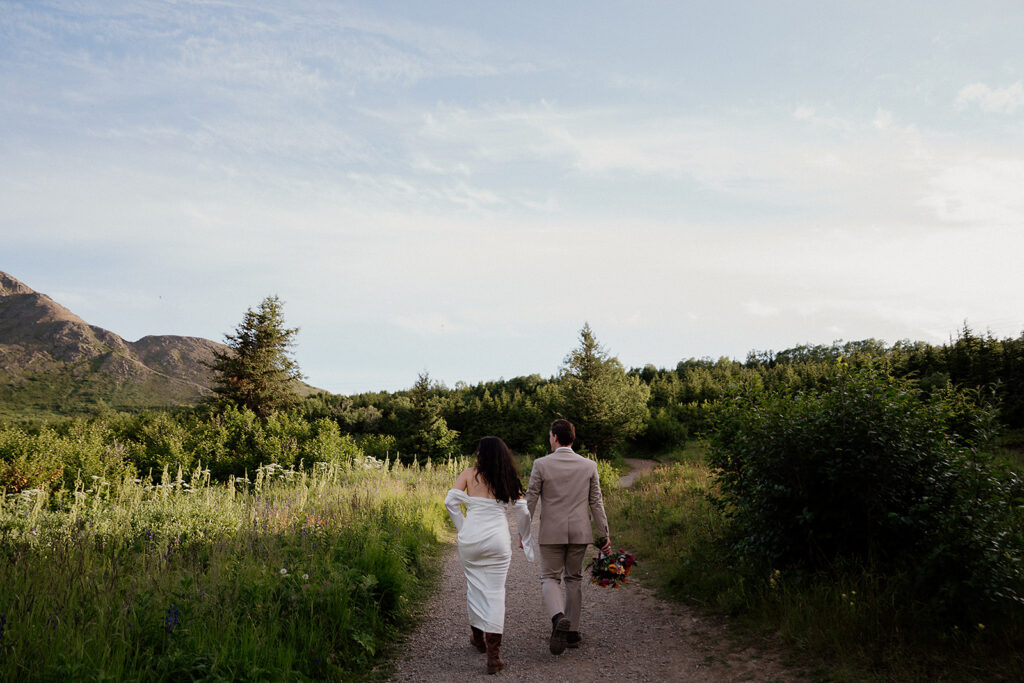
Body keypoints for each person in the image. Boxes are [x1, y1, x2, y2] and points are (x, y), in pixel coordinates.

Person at [445, 436, 534, 675]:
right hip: (497, 540)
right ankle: (493, 656)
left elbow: (450, 502)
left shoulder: (469, 474)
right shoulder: (506, 476)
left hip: (471, 538)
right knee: (495, 593)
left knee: (474, 587)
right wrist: (524, 537)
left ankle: (477, 637)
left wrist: (463, 527)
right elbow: (523, 510)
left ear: (480, 454)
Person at [526, 418, 611, 655]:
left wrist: (523, 533)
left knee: (550, 578)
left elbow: (530, 499)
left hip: (551, 532)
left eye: (549, 436)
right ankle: (572, 633)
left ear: (554, 437)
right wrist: (604, 535)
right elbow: (596, 501)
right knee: (573, 578)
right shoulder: (589, 465)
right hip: (579, 531)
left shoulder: (541, 464)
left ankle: (557, 620)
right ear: (572, 439)